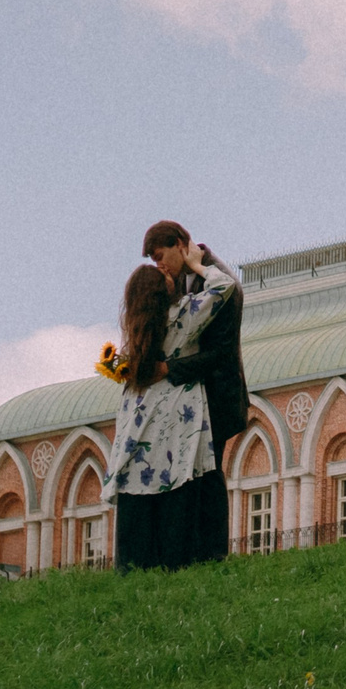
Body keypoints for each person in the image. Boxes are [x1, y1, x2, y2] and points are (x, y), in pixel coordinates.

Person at [105, 247, 239, 570]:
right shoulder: (182, 315)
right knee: (177, 488)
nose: (169, 275)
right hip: (178, 414)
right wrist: (197, 263)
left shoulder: (137, 334)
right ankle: (177, 562)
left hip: (137, 418)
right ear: (159, 290)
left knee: (139, 491)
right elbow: (225, 287)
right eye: (164, 276)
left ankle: (135, 566)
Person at [143, 221, 248, 484]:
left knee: (209, 479)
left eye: (160, 257)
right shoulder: (174, 280)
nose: (159, 266)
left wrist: (168, 369)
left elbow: (221, 352)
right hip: (186, 398)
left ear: (179, 244)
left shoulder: (221, 280)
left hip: (215, 397)